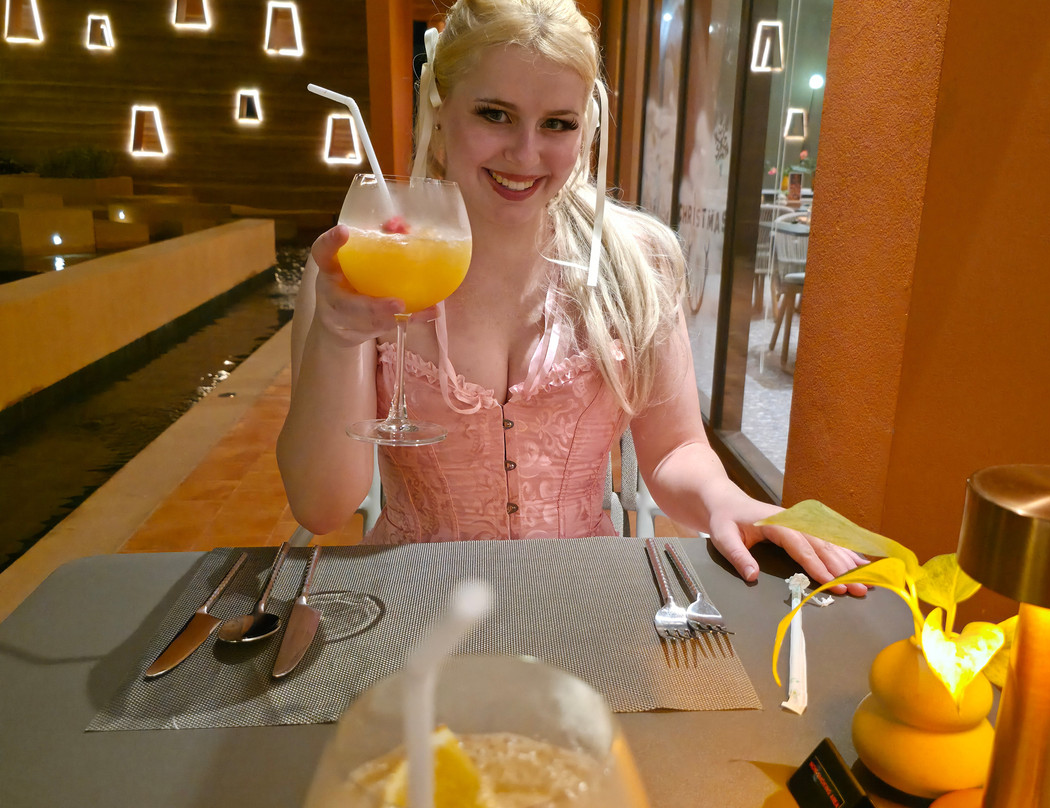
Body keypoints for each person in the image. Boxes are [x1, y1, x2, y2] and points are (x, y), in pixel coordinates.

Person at [277, 0, 866, 595]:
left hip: (582, 600)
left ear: (587, 128)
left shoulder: (636, 261)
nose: (525, 152)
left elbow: (674, 450)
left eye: (557, 123)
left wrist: (731, 501)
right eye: (494, 114)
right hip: (413, 599)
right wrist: (336, 337)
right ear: (439, 106)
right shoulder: (361, 265)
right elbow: (321, 507)